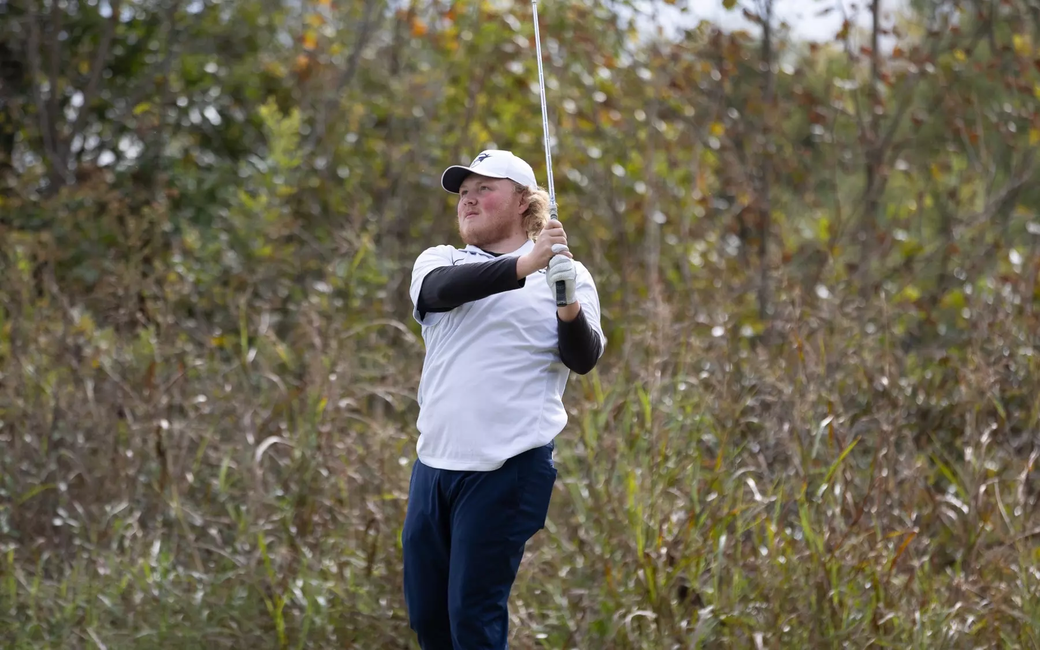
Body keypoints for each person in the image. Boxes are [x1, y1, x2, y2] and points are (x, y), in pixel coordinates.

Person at [402, 149, 606, 649]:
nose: (468, 201)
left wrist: (566, 304)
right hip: (434, 467)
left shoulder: (566, 275)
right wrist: (523, 264)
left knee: (472, 615)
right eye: (463, 193)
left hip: (509, 467)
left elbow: (583, 358)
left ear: (522, 201)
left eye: (483, 189)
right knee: (429, 619)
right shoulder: (442, 261)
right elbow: (441, 292)